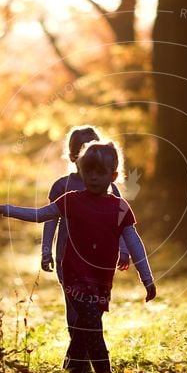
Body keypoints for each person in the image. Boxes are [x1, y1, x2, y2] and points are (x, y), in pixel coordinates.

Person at [0, 141, 155, 373]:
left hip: (101, 280)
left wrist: (147, 279)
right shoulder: (71, 201)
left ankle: (70, 371)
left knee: (85, 326)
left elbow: (135, 244)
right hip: (74, 275)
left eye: (100, 172)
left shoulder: (119, 208)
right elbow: (39, 215)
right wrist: (4, 209)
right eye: (89, 172)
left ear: (113, 175)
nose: (93, 178)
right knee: (92, 325)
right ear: (81, 171)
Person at [41, 126, 130, 337]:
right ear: (73, 156)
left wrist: (124, 250)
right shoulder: (62, 186)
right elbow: (49, 219)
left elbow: (121, 224)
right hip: (68, 258)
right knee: (75, 309)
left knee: (94, 309)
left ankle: (82, 357)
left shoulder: (110, 188)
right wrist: (46, 251)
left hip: (99, 261)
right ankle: (78, 361)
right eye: (82, 148)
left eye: (93, 146)